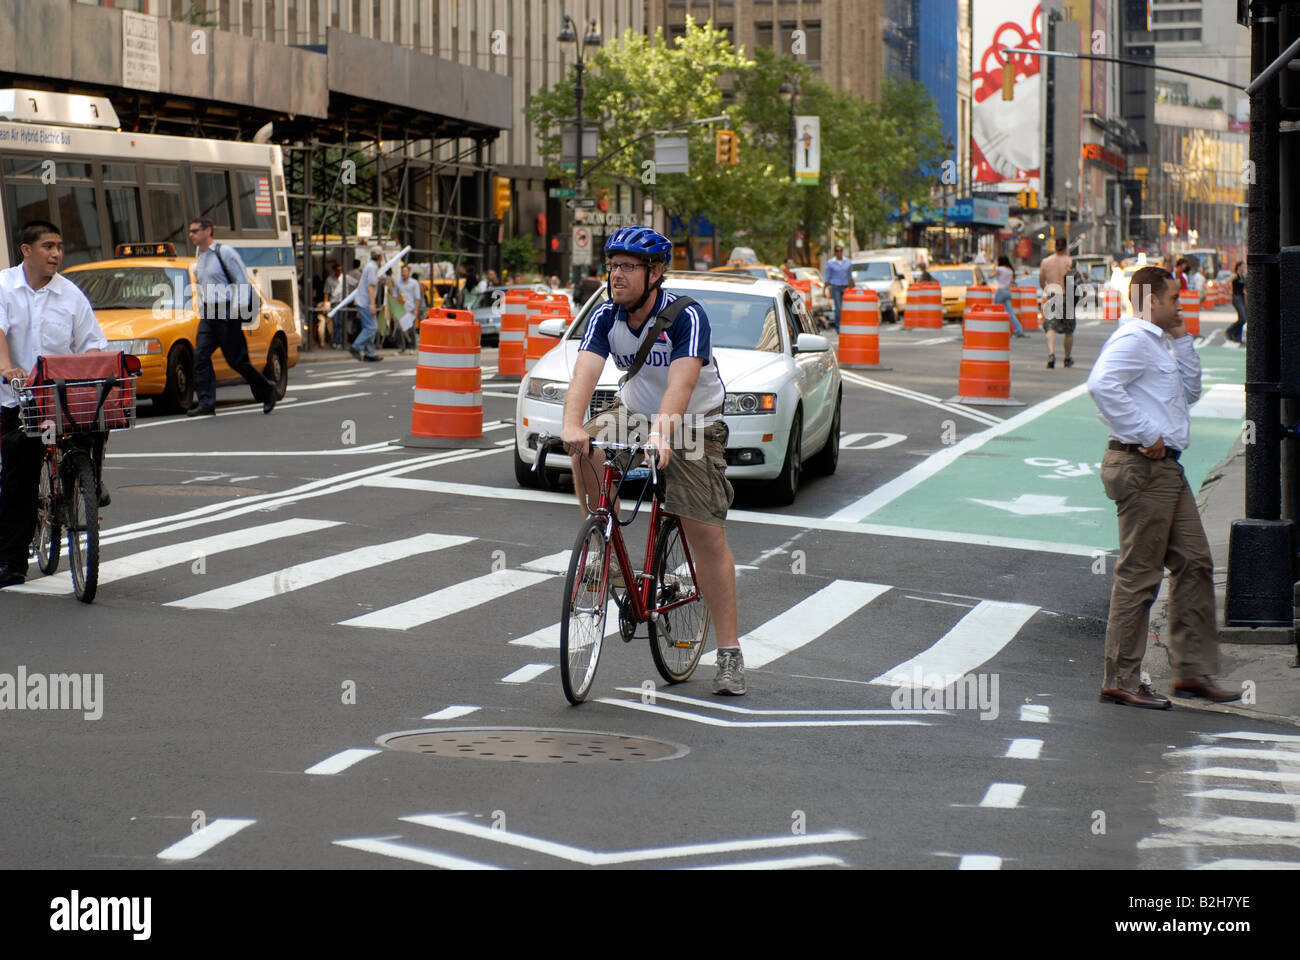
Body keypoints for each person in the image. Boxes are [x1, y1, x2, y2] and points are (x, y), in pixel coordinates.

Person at [561, 226, 746, 696]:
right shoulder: (605, 315)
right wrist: (572, 425)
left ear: (655, 273)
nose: (616, 275)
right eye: (613, 265)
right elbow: (584, 373)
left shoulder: (687, 317)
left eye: (628, 267)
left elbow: (681, 388)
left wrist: (664, 435)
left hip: (692, 424)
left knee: (704, 534)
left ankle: (729, 654)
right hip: (634, 413)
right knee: (584, 450)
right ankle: (604, 548)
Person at [1086, 265, 1239, 709]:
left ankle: (1192, 673)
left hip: (1166, 470)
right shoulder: (1134, 339)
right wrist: (1145, 432)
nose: (1178, 305)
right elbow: (1101, 384)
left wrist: (1183, 336)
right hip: (1143, 465)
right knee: (1139, 575)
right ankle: (1121, 678)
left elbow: (1189, 393)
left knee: (1194, 562)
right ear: (1151, 300)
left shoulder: (1159, 341)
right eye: (1172, 299)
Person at [0, 221, 110, 587]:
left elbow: (92, 343)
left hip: (62, 398)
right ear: (26, 251)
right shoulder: (4, 287)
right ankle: (13, 562)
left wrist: (93, 364)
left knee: (100, 417)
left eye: (60, 246)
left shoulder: (71, 295)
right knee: (19, 478)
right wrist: (6, 367)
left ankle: (90, 479)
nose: (56, 254)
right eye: (48, 246)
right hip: (18, 398)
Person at [187, 218, 278, 415]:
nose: (191, 234)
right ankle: (206, 403)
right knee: (200, 356)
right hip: (209, 313)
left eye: (195, 230)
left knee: (236, 360)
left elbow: (241, 280)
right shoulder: (200, 257)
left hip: (227, 310)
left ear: (208, 230)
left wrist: (237, 309)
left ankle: (267, 388)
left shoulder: (224, 252)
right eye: (190, 231)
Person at [1039, 238, 1076, 368]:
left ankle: (1051, 354)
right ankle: (1067, 358)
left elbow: (1041, 281)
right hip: (1068, 296)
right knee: (1069, 330)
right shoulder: (1071, 262)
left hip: (1053, 295)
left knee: (1050, 327)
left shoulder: (1046, 262)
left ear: (1054, 247)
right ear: (1066, 247)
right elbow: (1079, 279)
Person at [349, 248, 382, 362]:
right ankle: (356, 346)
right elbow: (370, 287)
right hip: (365, 302)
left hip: (362, 301)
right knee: (372, 327)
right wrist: (372, 305)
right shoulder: (372, 268)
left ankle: (369, 353)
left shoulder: (369, 266)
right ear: (380, 257)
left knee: (369, 327)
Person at [993, 255, 1027, 337]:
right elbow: (1012, 281)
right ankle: (1019, 330)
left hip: (1000, 291)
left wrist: (994, 266)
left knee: (996, 311)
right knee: (1010, 313)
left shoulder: (1000, 269)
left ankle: (998, 329)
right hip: (1008, 291)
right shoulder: (1010, 270)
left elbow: (991, 275)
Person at [823, 243, 853, 331]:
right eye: (837, 251)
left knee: (846, 307)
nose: (838, 252)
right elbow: (827, 277)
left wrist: (851, 287)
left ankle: (846, 325)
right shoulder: (830, 263)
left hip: (845, 287)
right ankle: (838, 326)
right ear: (834, 252)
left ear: (842, 251)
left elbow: (850, 276)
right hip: (835, 286)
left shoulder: (848, 262)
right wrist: (824, 289)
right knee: (838, 307)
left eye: (840, 251)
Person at [394, 264, 424, 354]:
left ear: (409, 272)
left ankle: (412, 347)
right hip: (401, 309)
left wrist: (416, 309)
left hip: (411, 308)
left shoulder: (414, 283)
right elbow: (395, 295)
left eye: (406, 271)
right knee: (399, 329)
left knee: (410, 329)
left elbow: (417, 297)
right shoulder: (398, 283)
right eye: (403, 271)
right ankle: (401, 347)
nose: (404, 273)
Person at [324, 260, 345, 348]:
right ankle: (336, 341)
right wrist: (325, 302)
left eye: (341, 270)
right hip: (334, 302)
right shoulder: (329, 279)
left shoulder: (345, 278)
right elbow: (326, 292)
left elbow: (356, 283)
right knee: (335, 322)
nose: (340, 272)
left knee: (340, 322)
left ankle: (339, 341)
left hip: (342, 302)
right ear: (335, 270)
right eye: (338, 270)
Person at [1225, 260, 1247, 343]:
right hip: (1236, 297)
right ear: (1239, 267)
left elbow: (1243, 287)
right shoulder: (1235, 275)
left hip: (1241, 297)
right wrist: (1229, 292)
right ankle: (1229, 331)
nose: (1244, 268)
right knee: (1243, 318)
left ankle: (1237, 337)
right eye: (1243, 266)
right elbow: (1226, 283)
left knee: (1242, 318)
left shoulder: (1243, 276)